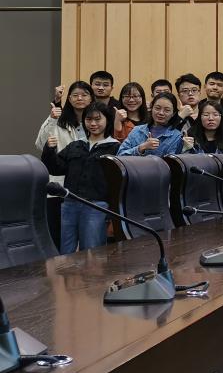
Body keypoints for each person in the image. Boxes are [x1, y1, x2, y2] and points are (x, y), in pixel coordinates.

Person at [41, 102, 119, 253]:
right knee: (65, 250)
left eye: (98, 119)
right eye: (89, 119)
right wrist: (49, 150)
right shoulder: (76, 145)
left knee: (92, 251)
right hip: (69, 203)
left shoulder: (115, 147)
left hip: (96, 206)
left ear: (108, 120)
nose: (93, 123)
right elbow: (56, 168)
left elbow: (117, 183)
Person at [117, 92, 186, 156]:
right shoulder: (137, 130)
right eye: (157, 108)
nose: (161, 113)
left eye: (167, 110)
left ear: (173, 113)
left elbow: (173, 162)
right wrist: (141, 147)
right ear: (151, 108)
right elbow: (120, 155)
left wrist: (187, 148)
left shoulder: (176, 136)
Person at [36, 80, 92, 153]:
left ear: (91, 98)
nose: (79, 98)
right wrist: (52, 119)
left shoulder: (96, 122)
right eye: (75, 95)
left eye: (84, 95)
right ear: (69, 99)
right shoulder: (59, 120)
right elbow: (41, 145)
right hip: (63, 159)